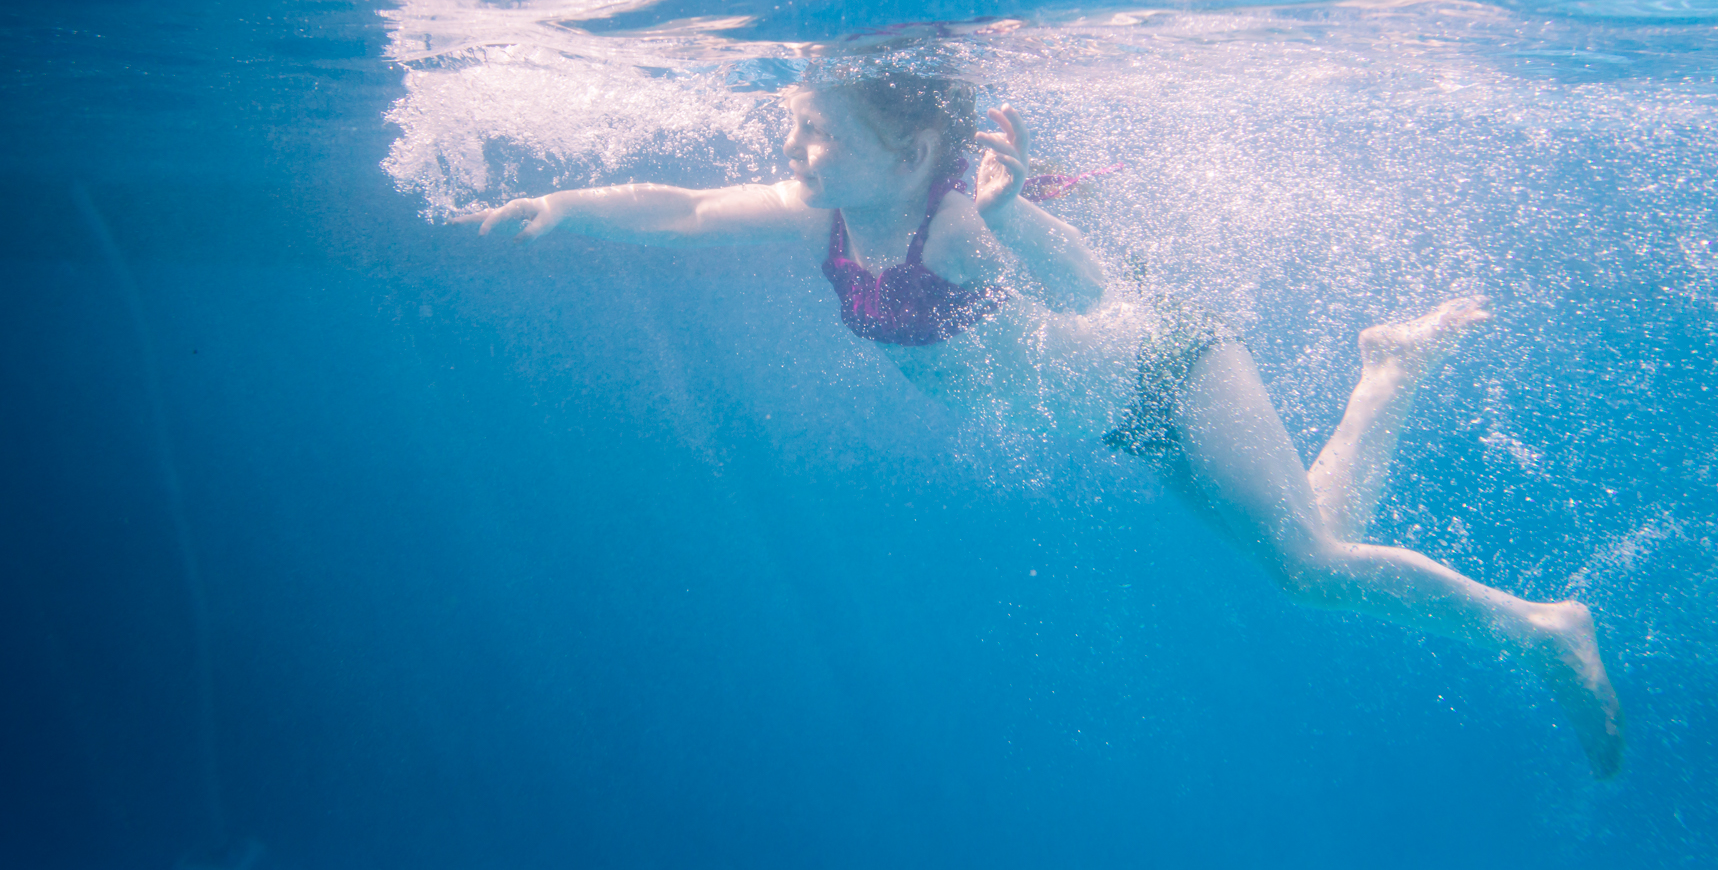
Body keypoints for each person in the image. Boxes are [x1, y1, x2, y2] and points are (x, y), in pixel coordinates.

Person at [457, 74, 1625, 777]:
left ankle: (1539, 626)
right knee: (1310, 552)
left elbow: (1094, 299)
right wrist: (563, 209)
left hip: (1172, 367)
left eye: (814, 134)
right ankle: (1386, 371)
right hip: (1127, 417)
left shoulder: (953, 230)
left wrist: (1010, 217)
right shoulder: (818, 209)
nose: (790, 154)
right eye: (793, 128)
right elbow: (683, 207)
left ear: (907, 152)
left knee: (1310, 567)